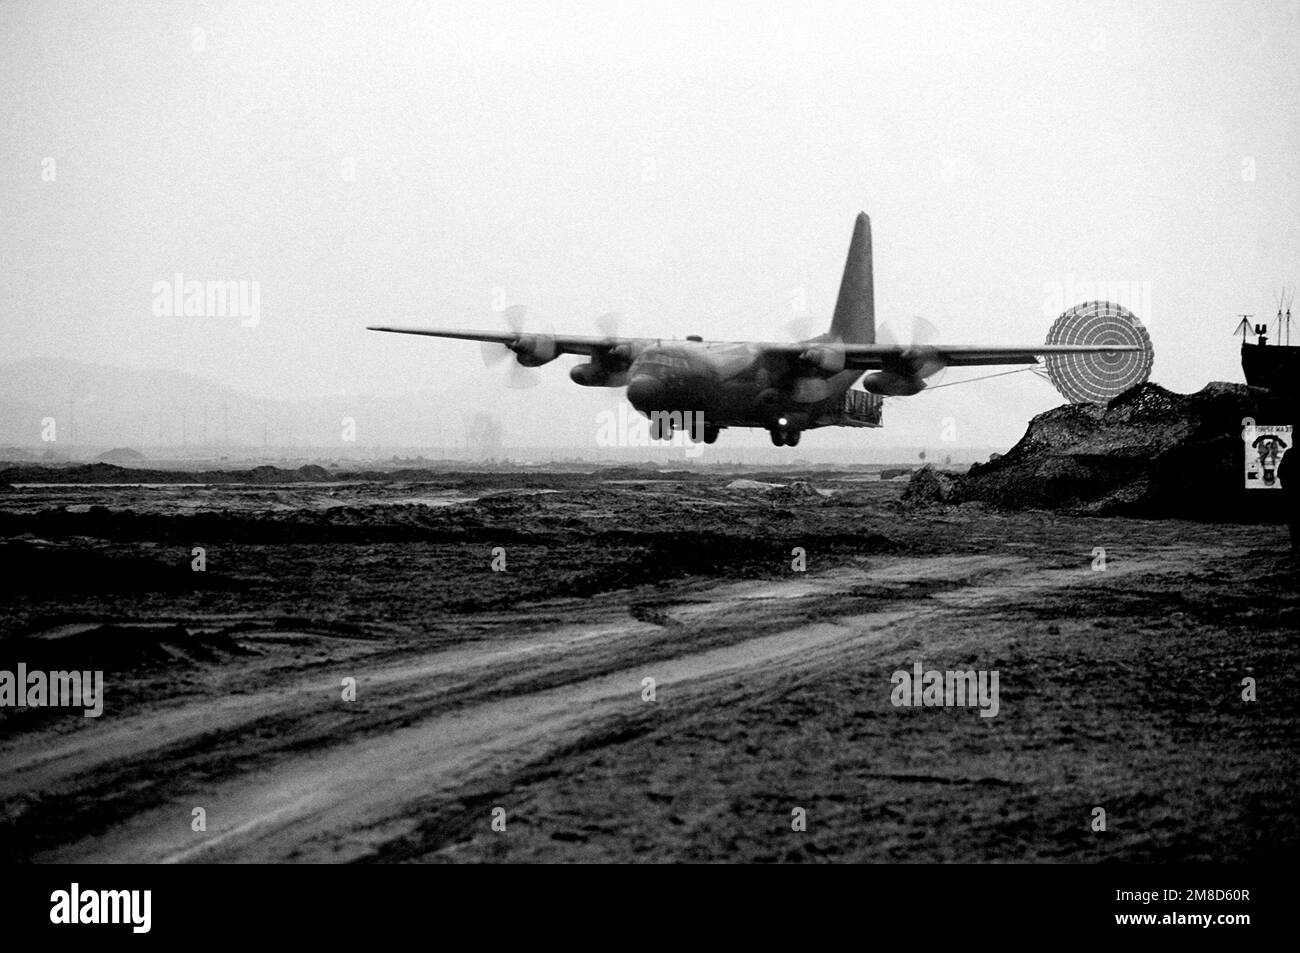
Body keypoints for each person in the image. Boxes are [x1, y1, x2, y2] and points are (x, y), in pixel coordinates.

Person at [1279, 446, 1298, 556]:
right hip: (1293, 493)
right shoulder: (1290, 454)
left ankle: (1295, 546)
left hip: (1292, 494)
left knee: (1294, 522)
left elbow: (1281, 474)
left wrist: (1287, 490)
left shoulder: (1290, 454)